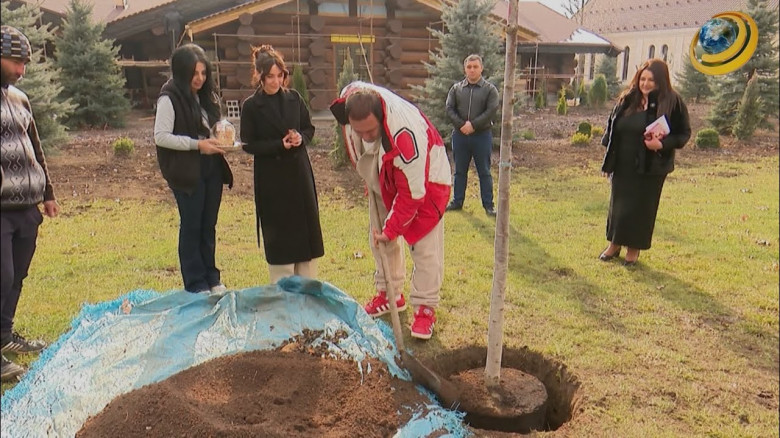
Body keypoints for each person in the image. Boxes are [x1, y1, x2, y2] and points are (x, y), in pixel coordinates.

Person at [330, 82, 451, 340]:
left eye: (371, 131)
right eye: (359, 131)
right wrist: (372, 177)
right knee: (379, 238)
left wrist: (392, 229)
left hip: (427, 181)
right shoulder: (349, 102)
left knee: (424, 247)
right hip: (384, 171)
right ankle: (390, 294)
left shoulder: (406, 136)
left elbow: (413, 194)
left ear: (382, 118)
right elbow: (358, 141)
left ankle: (425, 307)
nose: (365, 137)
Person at [1, 25, 58, 381]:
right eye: (15, 62)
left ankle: (4, 335)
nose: (21, 70)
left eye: (24, 63)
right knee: (1, 275)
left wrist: (48, 192)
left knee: (17, 275)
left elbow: (36, 148)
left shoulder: (20, 99)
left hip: (27, 207)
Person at [154, 43, 233, 293]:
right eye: (194, 73)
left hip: (212, 167)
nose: (199, 79)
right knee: (192, 225)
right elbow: (161, 136)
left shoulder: (207, 96)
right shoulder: (169, 98)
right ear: (182, 72)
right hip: (186, 171)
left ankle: (212, 277)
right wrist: (197, 145)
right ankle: (195, 282)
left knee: (209, 225)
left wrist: (222, 138)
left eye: (203, 73)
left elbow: (212, 127)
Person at [240, 45, 323, 282]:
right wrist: (278, 145)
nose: (276, 81)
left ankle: (307, 285)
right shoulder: (251, 106)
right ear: (260, 76)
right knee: (280, 235)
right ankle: (282, 287)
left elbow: (308, 128)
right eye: (270, 77)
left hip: (299, 174)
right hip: (272, 178)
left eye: (279, 75)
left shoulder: (294, 98)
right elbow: (248, 144)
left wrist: (300, 138)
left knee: (305, 233)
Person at [598, 58, 691, 266]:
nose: (645, 84)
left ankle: (634, 249)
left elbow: (683, 134)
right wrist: (609, 156)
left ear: (661, 81)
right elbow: (612, 125)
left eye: (651, 80)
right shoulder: (628, 98)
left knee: (642, 207)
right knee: (619, 205)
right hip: (622, 163)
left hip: (651, 166)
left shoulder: (672, 102)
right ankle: (614, 244)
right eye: (642, 79)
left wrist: (662, 144)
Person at [444, 54, 500, 217]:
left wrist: (473, 125)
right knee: (459, 171)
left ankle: (488, 205)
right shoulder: (456, 89)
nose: (472, 70)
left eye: (475, 67)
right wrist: (462, 125)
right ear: (465, 69)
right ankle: (457, 201)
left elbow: (491, 110)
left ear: (481, 68)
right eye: (469, 67)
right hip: (460, 136)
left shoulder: (490, 90)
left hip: (481, 136)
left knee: (484, 171)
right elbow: (449, 108)